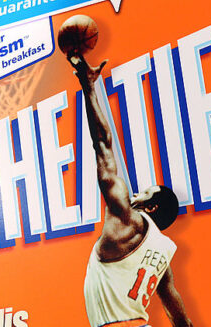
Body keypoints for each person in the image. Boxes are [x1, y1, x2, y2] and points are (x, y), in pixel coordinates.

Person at [69, 53, 192, 327]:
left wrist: (88, 88)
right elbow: (179, 315)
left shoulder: (125, 219)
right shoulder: (161, 254)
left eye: (142, 193)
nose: (134, 194)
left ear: (151, 207)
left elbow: (102, 144)